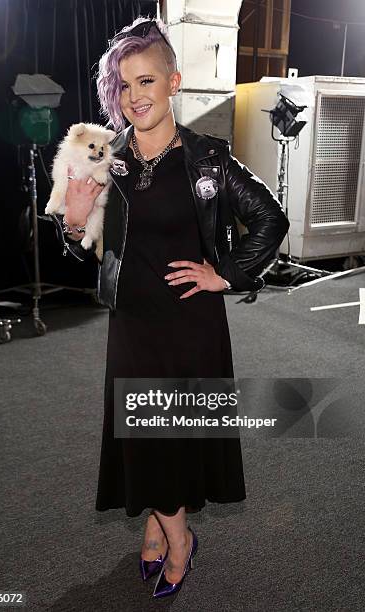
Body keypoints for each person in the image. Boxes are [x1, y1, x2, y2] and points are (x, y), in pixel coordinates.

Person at [59, 16, 289, 600]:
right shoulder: (107, 159)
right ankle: (161, 528)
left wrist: (226, 275)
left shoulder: (207, 158)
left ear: (173, 82)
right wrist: (75, 220)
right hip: (132, 322)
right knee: (144, 435)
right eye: (123, 85)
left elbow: (270, 218)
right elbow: (84, 248)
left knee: (171, 435)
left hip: (189, 322)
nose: (135, 95)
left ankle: (176, 539)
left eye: (146, 81)